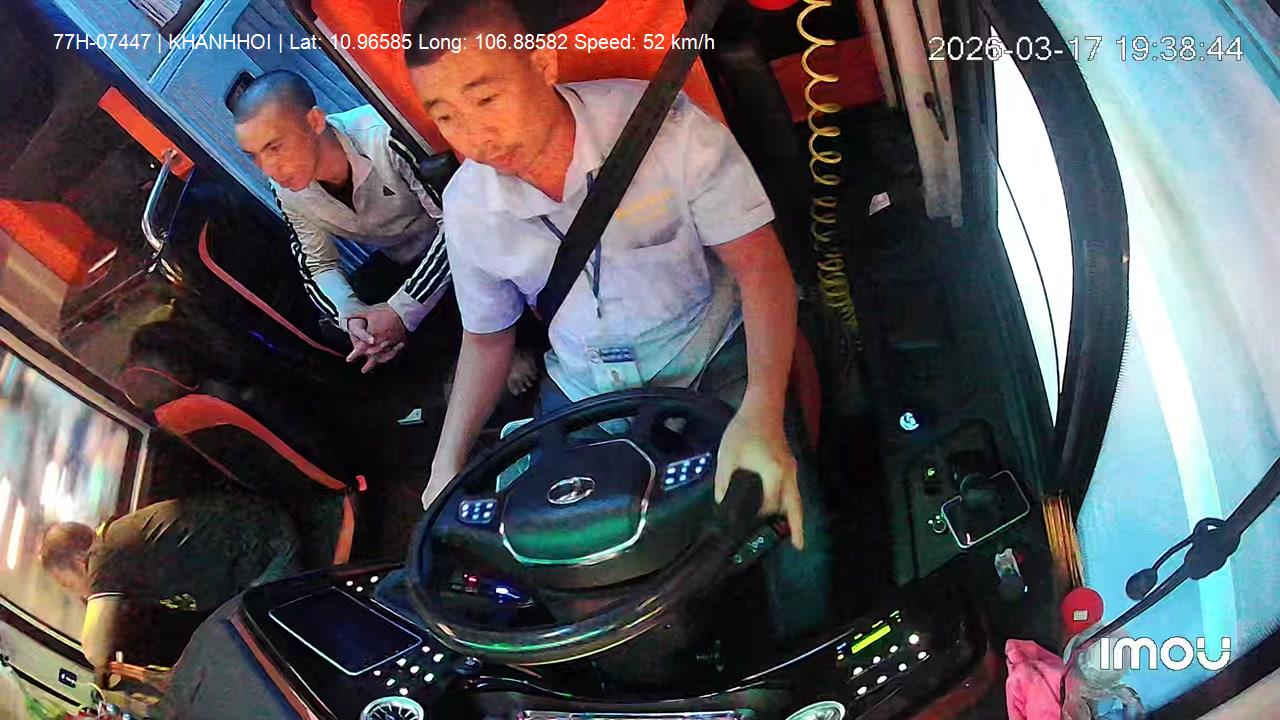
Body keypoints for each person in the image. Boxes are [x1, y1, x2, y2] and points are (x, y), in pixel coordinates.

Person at [404, 0, 812, 551]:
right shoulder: (466, 205)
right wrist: (445, 466)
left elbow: (762, 269)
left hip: (711, 353)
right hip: (584, 386)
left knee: (784, 522)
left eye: (486, 99)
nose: (476, 138)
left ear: (542, 64)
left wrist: (761, 410)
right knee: (548, 550)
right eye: (446, 117)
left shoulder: (665, 129)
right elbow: (486, 339)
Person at [232, 70, 452, 373]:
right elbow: (318, 265)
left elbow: (459, 224)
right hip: (399, 259)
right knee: (336, 327)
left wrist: (402, 309)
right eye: (254, 156)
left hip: (460, 242)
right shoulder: (286, 189)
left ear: (315, 121)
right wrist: (352, 316)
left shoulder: (384, 137)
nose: (268, 168)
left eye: (275, 147)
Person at [40, 494, 300, 671]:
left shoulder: (105, 553)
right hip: (258, 563)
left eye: (67, 584)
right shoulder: (120, 554)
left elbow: (95, 652)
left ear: (78, 562)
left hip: (267, 556)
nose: (78, 594)